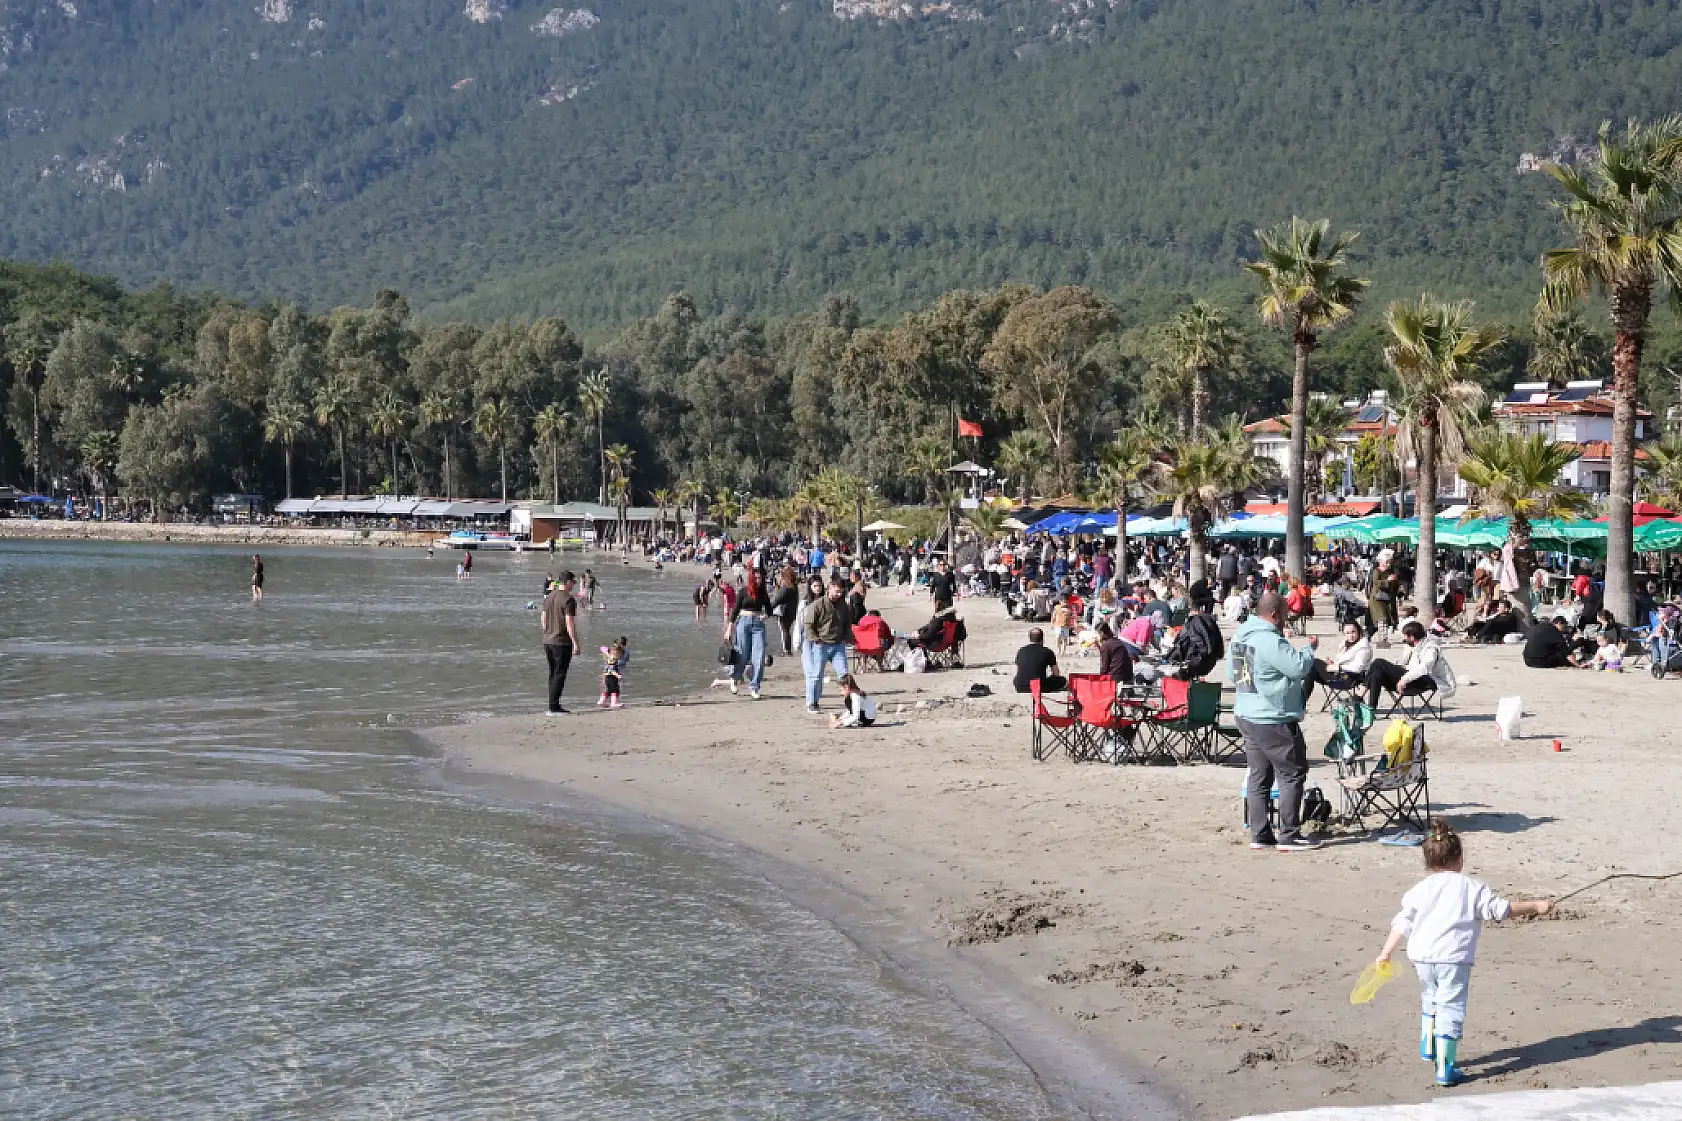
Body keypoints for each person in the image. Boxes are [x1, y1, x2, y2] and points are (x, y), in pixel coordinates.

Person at [1373, 820, 1553, 1087]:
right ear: (1459, 859)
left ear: (1427, 860)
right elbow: (1501, 910)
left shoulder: (1418, 890)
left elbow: (1403, 922)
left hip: (1421, 956)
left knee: (1431, 997)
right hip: (1453, 958)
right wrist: (1536, 906)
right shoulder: (1472, 888)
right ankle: (1445, 1069)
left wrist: (1385, 953)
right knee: (1451, 1007)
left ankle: (1428, 1047)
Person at [1229, 591, 1319, 853]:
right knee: (1292, 773)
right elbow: (1298, 668)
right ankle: (1289, 834)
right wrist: (1308, 650)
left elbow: (1236, 675)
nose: (1286, 621)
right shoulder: (1269, 640)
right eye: (1286, 616)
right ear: (1275, 614)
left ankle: (1260, 833)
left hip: (1247, 713)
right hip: (1271, 717)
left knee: (1259, 776)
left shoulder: (1240, 636)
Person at [1364, 620, 1457, 708]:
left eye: (1405, 636)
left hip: (1428, 680)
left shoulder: (1431, 648)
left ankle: (1360, 694)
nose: (1404, 639)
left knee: (1379, 662)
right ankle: (1371, 708)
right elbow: (1411, 666)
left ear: (1412, 636)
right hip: (1415, 677)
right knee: (1377, 673)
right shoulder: (1417, 647)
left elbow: (1425, 668)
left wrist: (1404, 679)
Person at [802, 579, 851, 714]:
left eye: (840, 591)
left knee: (844, 674)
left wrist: (847, 638)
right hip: (821, 645)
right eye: (836, 591)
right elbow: (808, 624)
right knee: (816, 674)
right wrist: (815, 640)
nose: (838, 594)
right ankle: (812, 702)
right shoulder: (817, 605)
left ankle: (850, 700)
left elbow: (847, 623)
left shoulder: (844, 606)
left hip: (838, 645)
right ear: (829, 589)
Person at [726, 568, 772, 699]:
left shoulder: (763, 593)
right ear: (751, 579)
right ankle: (734, 678)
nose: (759, 580)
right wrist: (729, 628)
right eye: (756, 578)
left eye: (760, 578)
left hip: (758, 624)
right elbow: (734, 610)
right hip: (743, 622)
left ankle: (754, 686)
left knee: (759, 656)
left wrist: (765, 616)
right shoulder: (743, 592)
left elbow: (769, 609)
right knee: (742, 653)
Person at [1303, 620, 1372, 704]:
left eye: (1353, 632)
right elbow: (1342, 662)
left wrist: (1337, 667)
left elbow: (1357, 668)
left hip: (1349, 678)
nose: (1351, 636)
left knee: (1313, 663)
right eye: (1347, 633)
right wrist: (1333, 663)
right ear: (1344, 634)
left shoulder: (1363, 647)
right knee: (1311, 670)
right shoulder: (1345, 643)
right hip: (1339, 674)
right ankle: (1301, 700)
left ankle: (1301, 701)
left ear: (1358, 631)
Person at [540, 571, 580, 714]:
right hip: (561, 641)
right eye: (573, 582)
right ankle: (554, 707)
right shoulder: (568, 600)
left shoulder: (549, 596)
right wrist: (575, 642)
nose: (574, 585)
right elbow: (570, 623)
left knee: (553, 673)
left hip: (548, 640)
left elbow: (543, 618)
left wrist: (547, 632)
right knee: (560, 674)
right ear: (568, 582)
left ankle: (552, 704)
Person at [1163, 598, 1224, 680]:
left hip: (1195, 660)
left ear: (1191, 611)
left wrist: (1170, 657)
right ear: (1201, 609)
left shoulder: (1192, 622)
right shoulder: (1211, 621)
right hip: (1210, 661)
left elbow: (1182, 643)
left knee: (1172, 668)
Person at [1012, 627, 1066, 694]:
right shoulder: (1047, 652)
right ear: (1042, 639)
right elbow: (1056, 673)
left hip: (1020, 686)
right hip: (1039, 686)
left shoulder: (1021, 651)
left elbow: (1018, 670)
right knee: (1062, 680)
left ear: (1030, 638)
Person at [769, 568, 801, 655]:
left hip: (783, 612)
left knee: (784, 631)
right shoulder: (794, 587)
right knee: (787, 630)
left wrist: (768, 609)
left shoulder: (786, 588)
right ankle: (788, 649)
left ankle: (786, 650)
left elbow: (777, 600)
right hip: (792, 611)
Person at [1095, 621, 1134, 687]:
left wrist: (1100, 680)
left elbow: (1104, 668)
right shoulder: (1119, 642)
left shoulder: (1106, 645)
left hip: (1115, 678)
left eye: (1098, 633)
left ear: (1102, 633)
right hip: (1128, 676)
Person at [598, 636, 628, 708]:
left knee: (608, 690)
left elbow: (602, 648)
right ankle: (613, 703)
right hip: (611, 677)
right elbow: (612, 670)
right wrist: (618, 675)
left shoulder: (609, 658)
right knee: (615, 690)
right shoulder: (613, 661)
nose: (621, 657)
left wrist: (607, 653)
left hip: (607, 676)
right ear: (616, 654)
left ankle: (601, 701)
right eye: (620, 655)